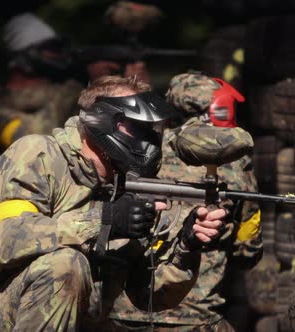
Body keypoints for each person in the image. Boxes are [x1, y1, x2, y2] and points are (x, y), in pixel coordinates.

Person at [0, 76, 231, 331]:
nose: (148, 139)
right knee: (66, 265)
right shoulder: (38, 154)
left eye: (151, 129)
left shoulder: (126, 182)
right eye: (136, 127)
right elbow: (12, 240)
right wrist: (104, 220)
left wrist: (187, 248)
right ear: (102, 120)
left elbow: (149, 295)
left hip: (79, 315)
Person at [105, 72, 262, 331]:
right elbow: (247, 252)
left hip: (120, 314)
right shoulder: (233, 164)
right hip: (195, 319)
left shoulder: (132, 150)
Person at [0, 12, 84, 151]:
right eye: (49, 48)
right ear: (24, 58)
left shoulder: (63, 91)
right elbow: (31, 143)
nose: (56, 54)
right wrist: (71, 94)